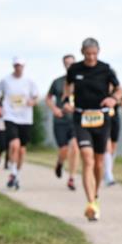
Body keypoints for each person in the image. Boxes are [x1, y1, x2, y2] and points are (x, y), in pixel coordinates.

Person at [63, 37, 122, 221]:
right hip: (81, 117)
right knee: (87, 159)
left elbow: (119, 90)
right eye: (88, 54)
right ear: (82, 52)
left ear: (98, 52)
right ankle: (90, 202)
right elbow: (67, 87)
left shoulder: (105, 69)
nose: (91, 57)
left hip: (101, 119)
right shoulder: (75, 69)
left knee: (98, 163)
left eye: (94, 54)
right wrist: (66, 101)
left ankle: (95, 194)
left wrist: (113, 98)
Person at [0, 57, 40, 190]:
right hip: (10, 116)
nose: (18, 68)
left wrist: (33, 102)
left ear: (24, 66)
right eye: (16, 66)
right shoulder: (5, 80)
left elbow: (36, 96)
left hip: (25, 118)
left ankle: (17, 175)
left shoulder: (29, 81)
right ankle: (12, 172)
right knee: (14, 144)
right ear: (13, 66)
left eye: (20, 66)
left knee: (22, 150)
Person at [46, 54, 78, 191]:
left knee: (75, 147)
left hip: (76, 120)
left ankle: (71, 178)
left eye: (72, 63)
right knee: (64, 150)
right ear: (64, 65)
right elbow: (48, 98)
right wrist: (54, 109)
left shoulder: (81, 81)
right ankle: (60, 163)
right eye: (67, 63)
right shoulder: (57, 82)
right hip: (61, 120)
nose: (69, 65)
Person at [103, 92, 122, 187]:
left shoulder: (119, 92)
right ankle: (109, 175)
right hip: (103, 120)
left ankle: (108, 170)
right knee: (108, 147)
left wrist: (117, 101)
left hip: (114, 121)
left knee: (113, 148)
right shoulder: (102, 88)